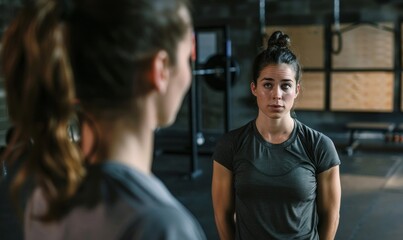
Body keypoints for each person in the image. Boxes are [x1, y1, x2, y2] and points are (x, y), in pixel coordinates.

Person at [0, 0, 206, 239]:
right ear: (160, 70)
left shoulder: (45, 200)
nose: (187, 74)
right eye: (185, 58)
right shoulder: (162, 226)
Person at [211, 31, 342, 240]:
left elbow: (331, 215)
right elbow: (222, 213)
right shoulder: (230, 145)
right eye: (268, 84)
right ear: (254, 88)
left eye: (286, 85)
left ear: (297, 90)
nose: (277, 95)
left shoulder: (320, 146)